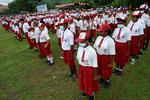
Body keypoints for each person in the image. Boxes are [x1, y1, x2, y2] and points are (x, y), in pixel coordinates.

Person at [76, 32, 99, 100]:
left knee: (89, 83)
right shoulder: (80, 48)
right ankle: (85, 91)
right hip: (81, 68)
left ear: (86, 41)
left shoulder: (92, 51)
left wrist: (95, 76)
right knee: (82, 81)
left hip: (89, 70)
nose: (79, 43)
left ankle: (91, 95)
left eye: (81, 41)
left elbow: (95, 65)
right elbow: (79, 59)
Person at [94, 23, 115, 88]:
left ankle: (107, 80)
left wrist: (111, 62)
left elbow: (112, 53)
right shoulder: (99, 38)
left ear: (106, 32)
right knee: (99, 68)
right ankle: (102, 78)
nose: (99, 32)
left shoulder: (110, 41)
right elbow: (95, 46)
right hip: (98, 56)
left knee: (105, 69)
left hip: (105, 57)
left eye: (101, 31)